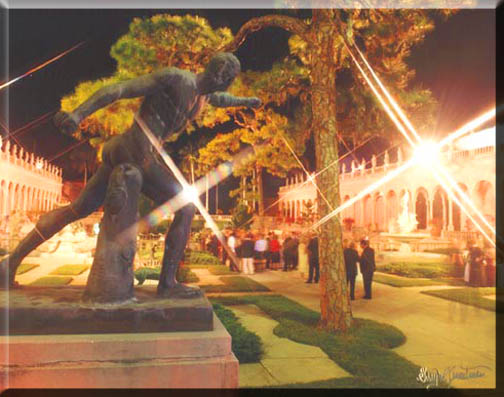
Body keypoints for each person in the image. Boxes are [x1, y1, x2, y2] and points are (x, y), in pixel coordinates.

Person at [0, 52, 261, 297]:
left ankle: (9, 264)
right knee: (188, 208)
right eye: (227, 77)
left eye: (230, 80)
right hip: (138, 151)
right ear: (217, 72)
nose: (227, 84)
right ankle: (168, 283)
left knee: (77, 209)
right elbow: (121, 89)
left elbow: (223, 100)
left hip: (126, 149)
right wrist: (78, 114)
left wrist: (247, 101)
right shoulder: (176, 78)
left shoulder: (203, 96)